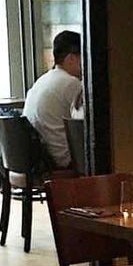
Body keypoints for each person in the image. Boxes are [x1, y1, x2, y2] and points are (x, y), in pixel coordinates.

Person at [22, 30, 84, 171]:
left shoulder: (43, 80)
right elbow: (86, 123)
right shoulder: (70, 83)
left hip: (39, 158)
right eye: (83, 57)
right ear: (71, 58)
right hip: (60, 159)